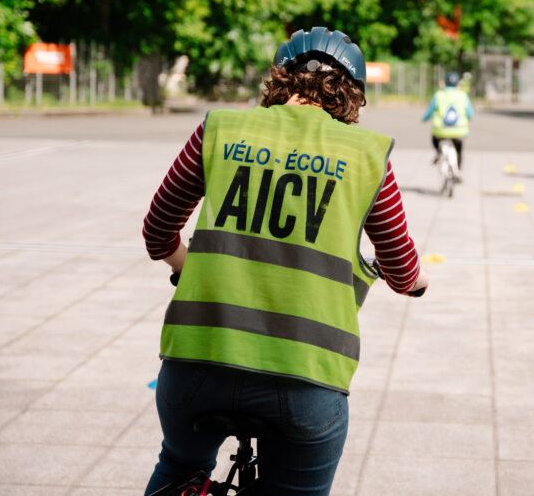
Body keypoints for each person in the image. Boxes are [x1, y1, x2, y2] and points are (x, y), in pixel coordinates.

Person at [141, 27, 429, 496]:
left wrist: (184, 265)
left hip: (195, 367)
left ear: (279, 78)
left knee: (178, 466)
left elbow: (158, 229)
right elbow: (399, 264)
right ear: (352, 93)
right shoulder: (367, 155)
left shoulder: (220, 128)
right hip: (306, 381)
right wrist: (417, 282)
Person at [422, 71, 473, 174]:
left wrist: (424, 119)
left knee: (434, 139)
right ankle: (458, 169)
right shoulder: (463, 95)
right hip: (459, 130)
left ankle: (439, 153)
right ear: (458, 83)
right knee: (459, 149)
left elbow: (430, 112)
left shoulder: (438, 95)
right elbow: (470, 114)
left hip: (440, 130)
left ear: (444, 82)